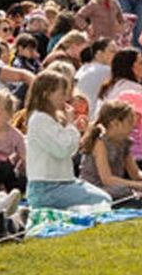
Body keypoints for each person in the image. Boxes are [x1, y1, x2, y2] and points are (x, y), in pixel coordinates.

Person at [22, 72, 111, 212]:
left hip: (64, 182)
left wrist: (74, 128)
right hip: (47, 187)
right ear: (47, 93)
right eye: (62, 93)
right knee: (101, 201)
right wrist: (70, 125)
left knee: (105, 199)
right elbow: (62, 150)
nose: (66, 98)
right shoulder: (40, 119)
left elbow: (69, 149)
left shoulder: (52, 118)